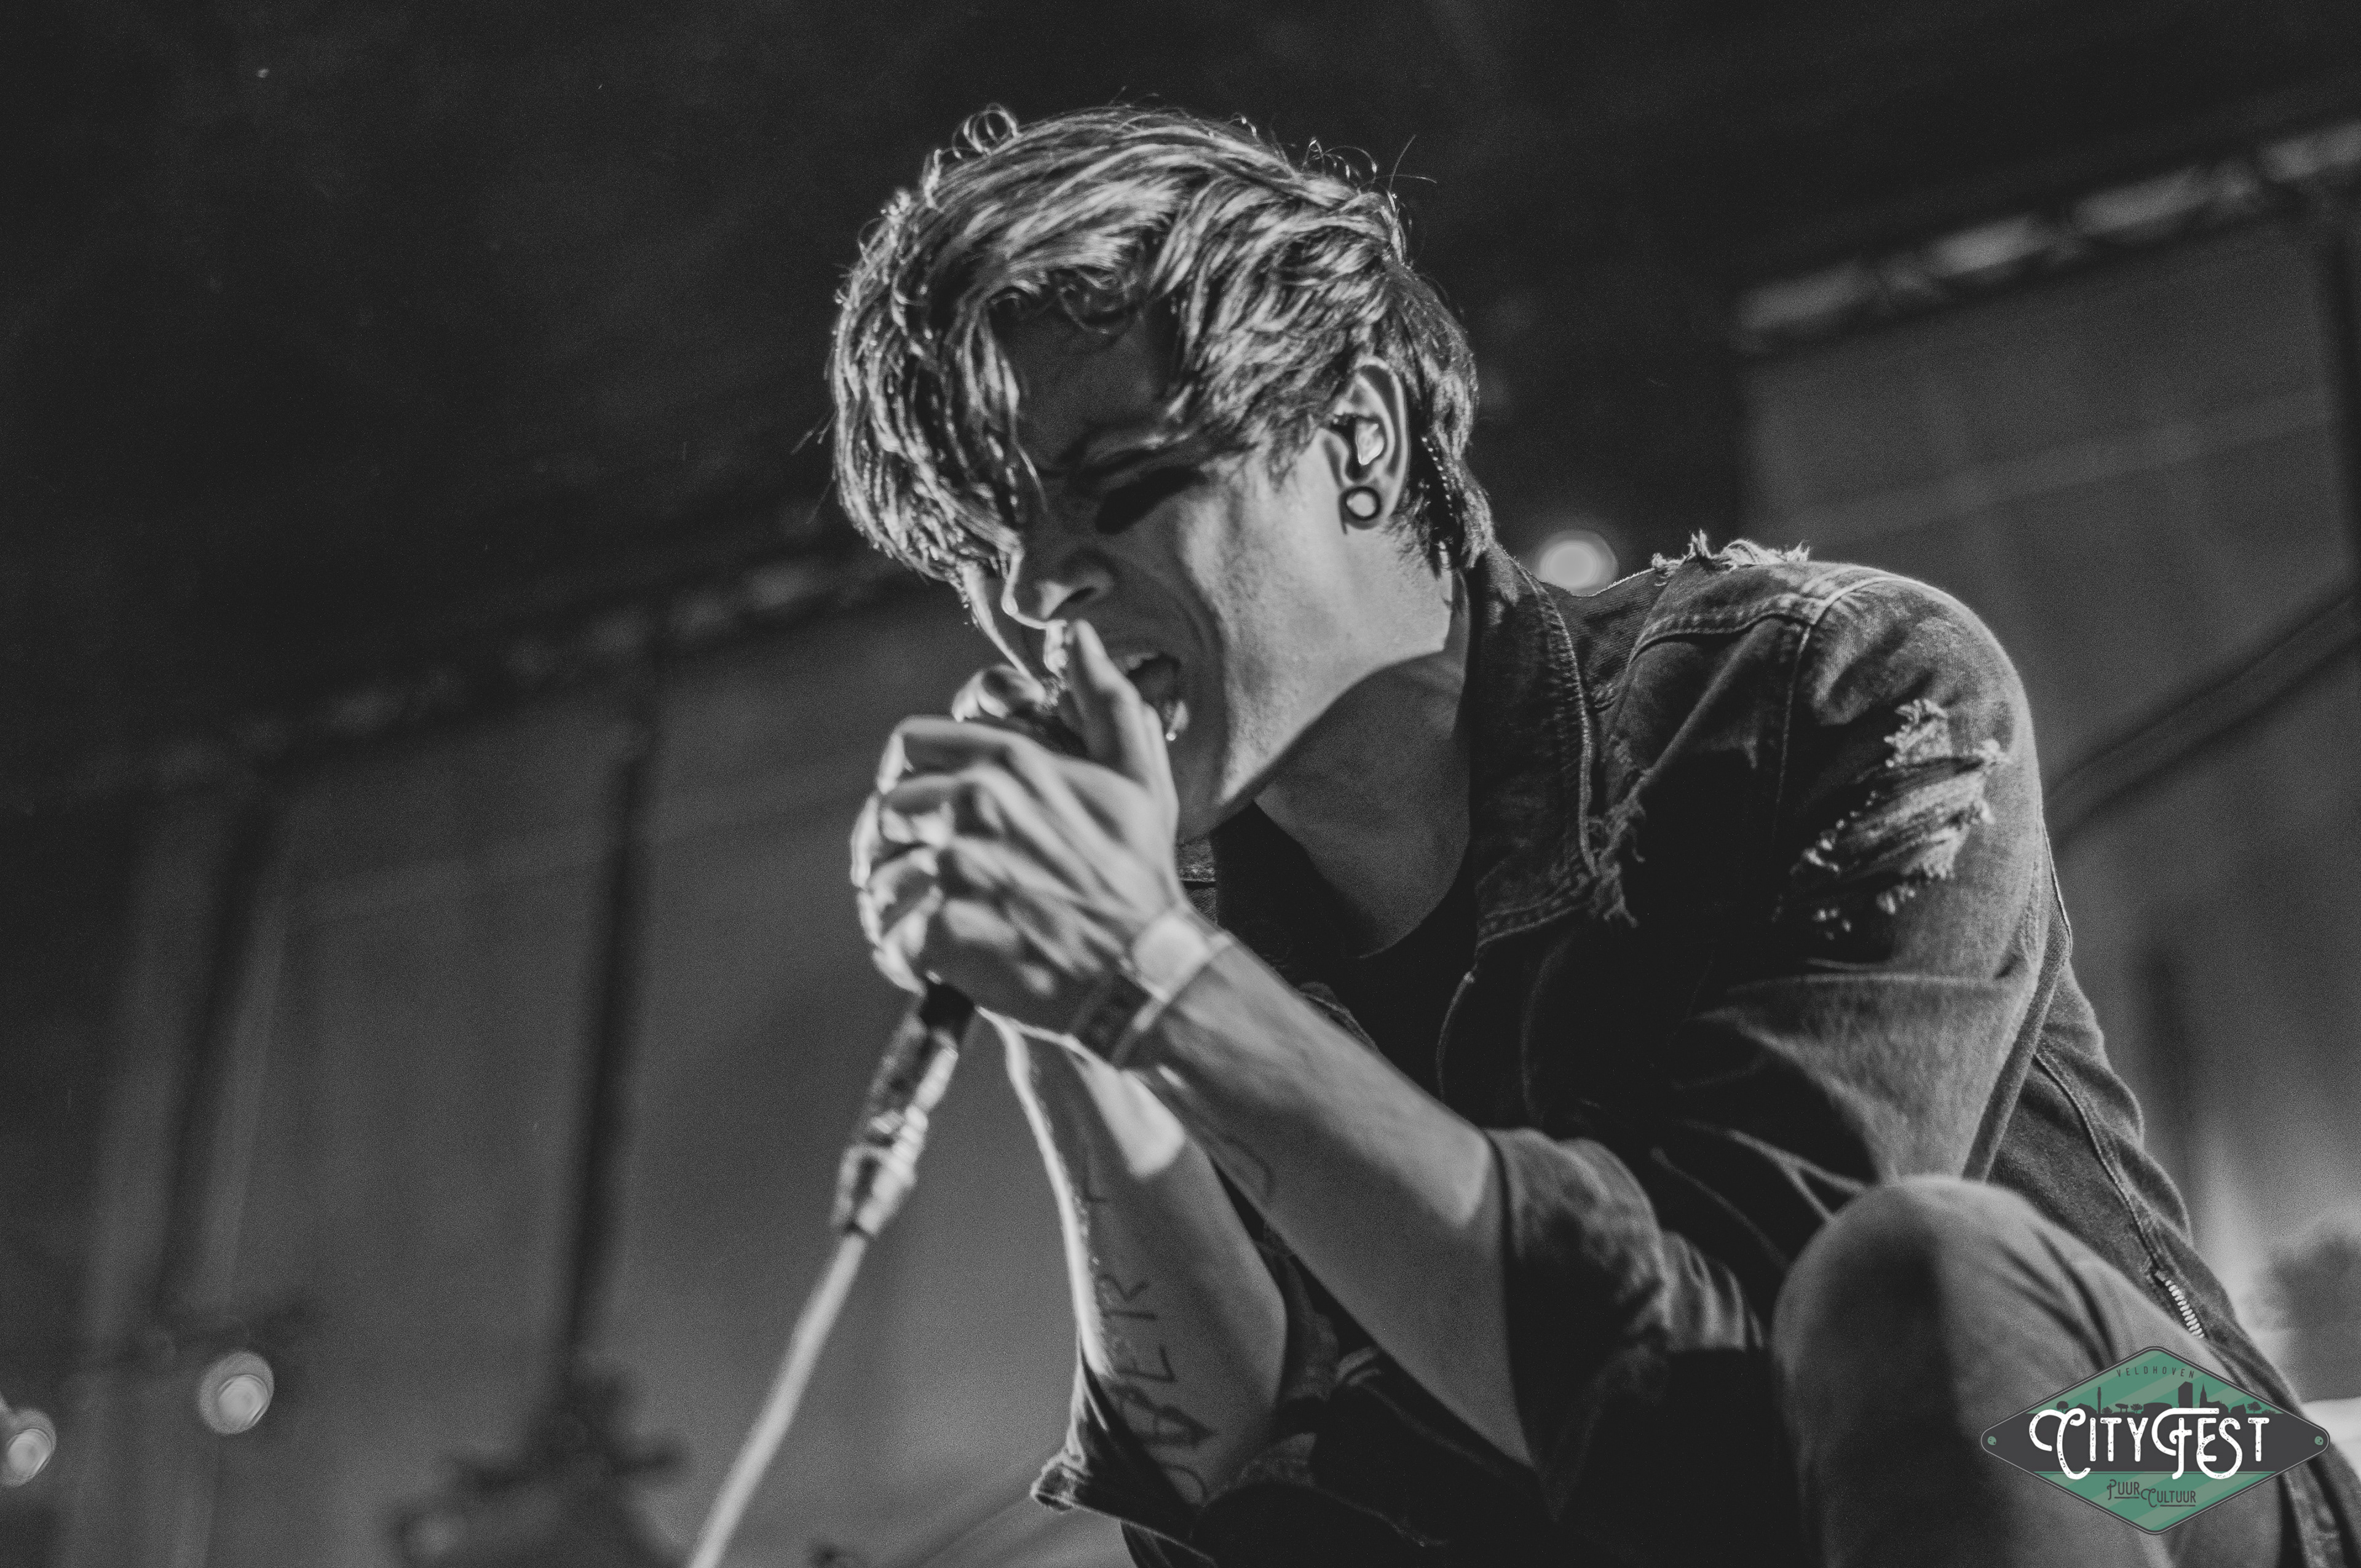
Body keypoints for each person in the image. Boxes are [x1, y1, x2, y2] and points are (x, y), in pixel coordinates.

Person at [832, 106, 2361, 1567]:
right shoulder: (1193, 935)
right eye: (989, 543)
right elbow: (1222, 1502)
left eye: (1115, 488)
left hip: (2170, 1460)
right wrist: (1075, 1029)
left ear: (1356, 440)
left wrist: (1162, 985)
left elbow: (1739, 1391)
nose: (1035, 590)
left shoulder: (1823, 684)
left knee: (1920, 1288)